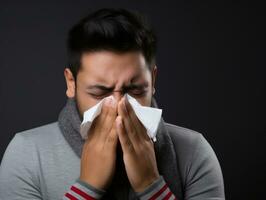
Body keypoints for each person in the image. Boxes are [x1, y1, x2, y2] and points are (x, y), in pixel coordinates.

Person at [0, 8, 225, 200]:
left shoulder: (194, 152)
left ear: (153, 81)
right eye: (100, 91)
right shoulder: (27, 154)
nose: (118, 105)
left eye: (135, 90)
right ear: (71, 83)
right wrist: (87, 187)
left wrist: (151, 184)